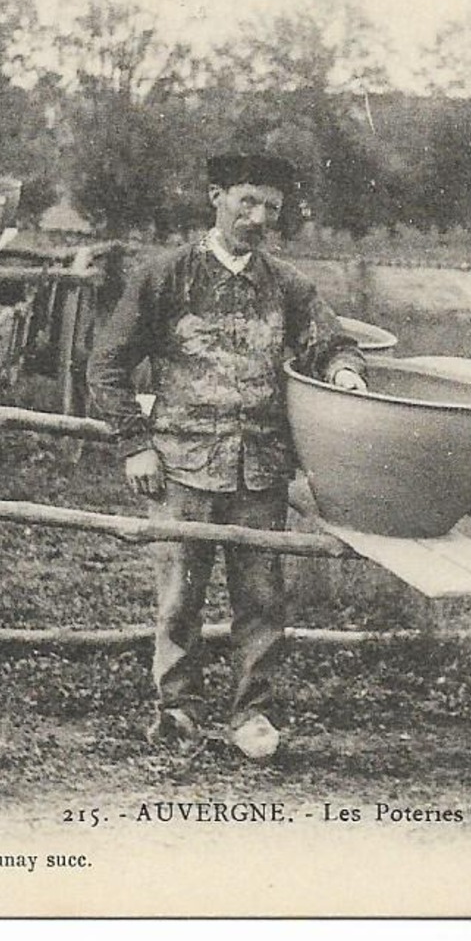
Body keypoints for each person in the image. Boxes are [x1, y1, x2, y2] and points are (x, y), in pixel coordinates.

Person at [87, 153, 367, 761]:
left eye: (271, 206)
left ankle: (253, 715)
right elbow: (106, 365)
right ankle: (178, 709)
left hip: (260, 471)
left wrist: (344, 373)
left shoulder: (288, 286)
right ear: (216, 197)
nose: (258, 216)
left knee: (262, 601)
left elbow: (334, 341)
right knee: (179, 597)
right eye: (246, 201)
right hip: (180, 465)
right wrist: (135, 444)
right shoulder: (168, 277)